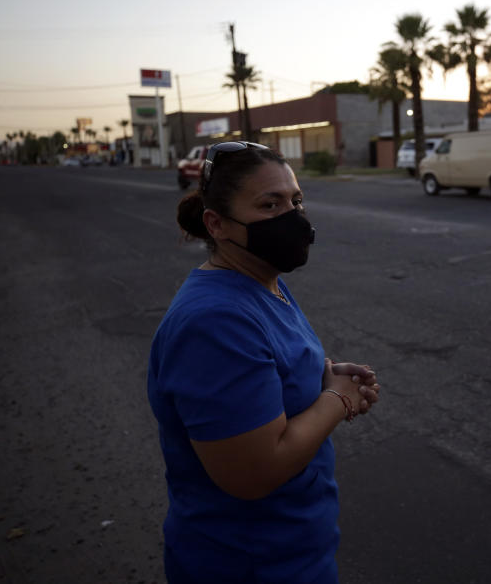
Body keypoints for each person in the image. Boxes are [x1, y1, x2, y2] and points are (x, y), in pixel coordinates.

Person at [147, 141, 380, 583]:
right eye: (269, 204)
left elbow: (273, 362)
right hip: (248, 563)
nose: (292, 216)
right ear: (216, 224)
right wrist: (337, 399)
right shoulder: (214, 322)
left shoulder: (261, 281)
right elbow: (254, 473)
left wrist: (323, 376)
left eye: (295, 200)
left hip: (295, 548)